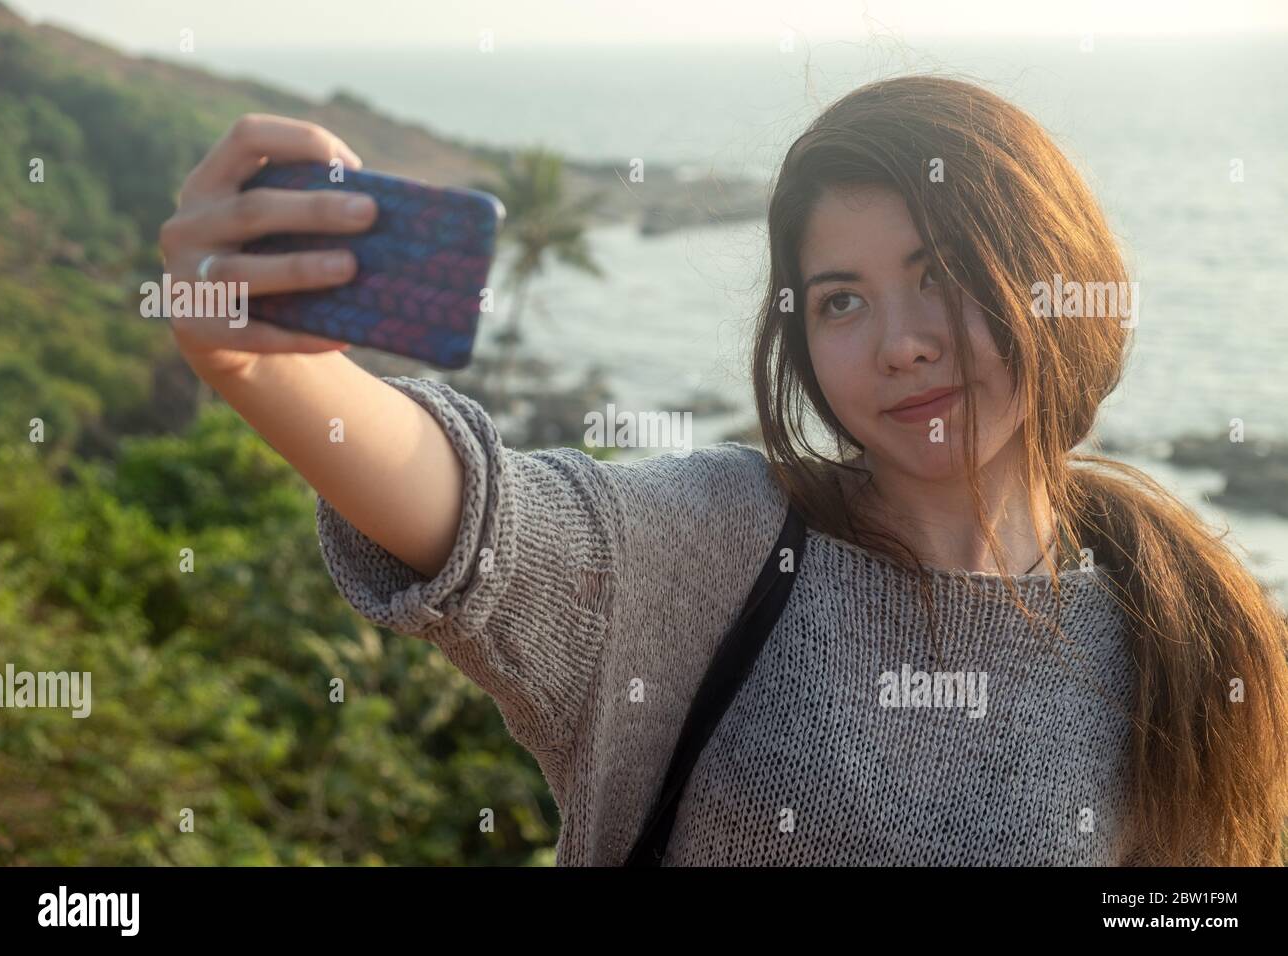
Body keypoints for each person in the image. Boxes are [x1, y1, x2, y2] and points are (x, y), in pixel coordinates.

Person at [159, 76, 1288, 866]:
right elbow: (480, 514)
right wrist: (258, 364)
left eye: (940, 272)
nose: (900, 340)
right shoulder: (726, 541)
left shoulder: (1179, 634)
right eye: (841, 298)